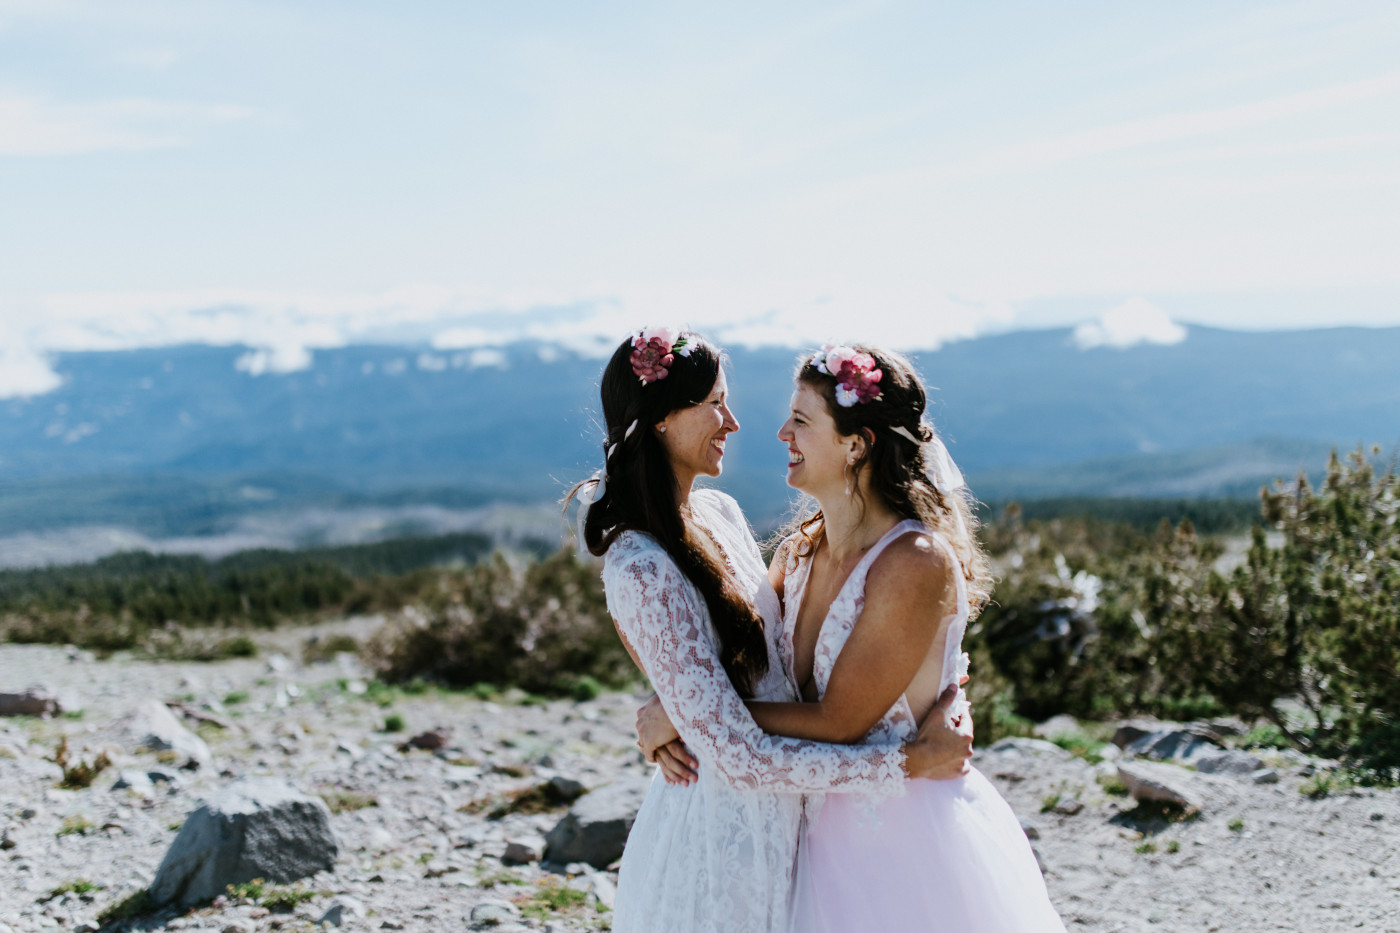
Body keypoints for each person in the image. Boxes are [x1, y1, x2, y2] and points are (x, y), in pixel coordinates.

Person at [641, 343, 1067, 932]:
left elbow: (840, 719)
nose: (781, 432)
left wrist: (693, 715)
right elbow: (755, 667)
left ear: (856, 443)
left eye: (802, 420)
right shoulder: (798, 552)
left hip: (899, 836)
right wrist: (679, 702)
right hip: (803, 818)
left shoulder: (913, 563)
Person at [569, 327, 974, 933]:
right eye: (714, 404)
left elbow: (775, 663)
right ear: (659, 419)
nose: (735, 422)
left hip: (803, 820)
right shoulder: (640, 564)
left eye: (799, 421)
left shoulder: (726, 515)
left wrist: (688, 713)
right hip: (720, 838)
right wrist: (910, 763)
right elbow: (734, 747)